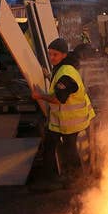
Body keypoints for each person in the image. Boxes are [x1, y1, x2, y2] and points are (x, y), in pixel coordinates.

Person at [31, 38, 96, 184]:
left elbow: (58, 99)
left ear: (64, 55)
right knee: (55, 147)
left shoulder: (66, 74)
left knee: (69, 151)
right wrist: (48, 75)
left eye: (55, 55)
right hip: (64, 120)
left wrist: (39, 95)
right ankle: (62, 178)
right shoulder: (63, 67)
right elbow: (59, 83)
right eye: (50, 54)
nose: (51, 58)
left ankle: (74, 180)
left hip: (71, 121)